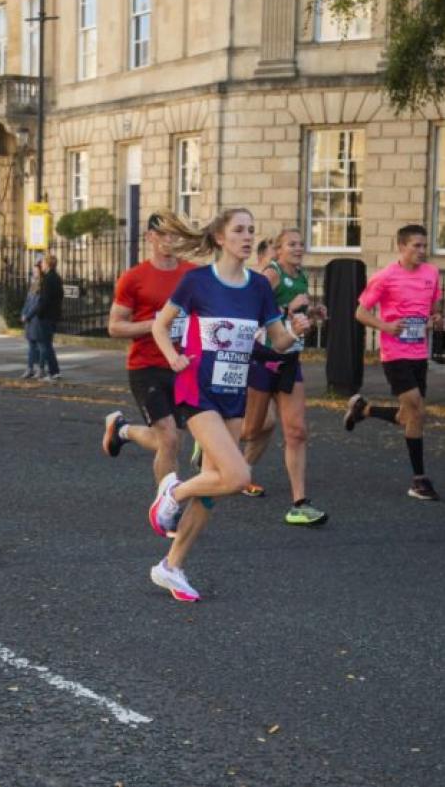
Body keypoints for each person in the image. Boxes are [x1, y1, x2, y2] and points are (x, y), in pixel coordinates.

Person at [150, 208, 310, 602]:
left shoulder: (258, 286)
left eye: (251, 230)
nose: (246, 236)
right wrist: (172, 356)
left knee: (213, 489)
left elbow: (274, 343)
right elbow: (160, 324)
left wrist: (295, 331)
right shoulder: (197, 281)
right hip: (196, 389)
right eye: (238, 229)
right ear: (220, 238)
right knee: (238, 476)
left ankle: (171, 567)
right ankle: (172, 492)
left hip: (233, 392)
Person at [344, 224, 442, 500]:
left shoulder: (432, 274)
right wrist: (385, 327)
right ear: (401, 247)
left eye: (425, 246)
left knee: (409, 415)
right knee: (417, 410)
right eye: (417, 246)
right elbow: (361, 312)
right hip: (395, 353)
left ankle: (364, 410)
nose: (423, 251)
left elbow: (433, 308)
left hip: (418, 353)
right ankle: (419, 480)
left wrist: (435, 319)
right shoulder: (385, 277)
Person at [240, 228, 328, 525]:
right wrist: (286, 310)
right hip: (264, 359)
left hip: (290, 359)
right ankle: (212, 437)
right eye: (292, 243)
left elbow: (295, 317)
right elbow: (249, 309)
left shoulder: (301, 276)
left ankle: (299, 503)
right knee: (252, 430)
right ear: (278, 250)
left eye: (302, 243)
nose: (299, 248)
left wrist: (313, 312)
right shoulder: (271, 274)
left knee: (297, 431)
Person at [102, 212, 197, 485]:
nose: (171, 240)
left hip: (181, 365)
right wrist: (157, 325)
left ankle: (123, 430)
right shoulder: (134, 278)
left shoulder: (192, 274)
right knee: (167, 436)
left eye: (175, 234)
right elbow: (115, 327)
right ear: (150, 237)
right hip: (146, 367)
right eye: (165, 233)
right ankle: (166, 506)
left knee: (172, 441)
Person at [36, 253, 64, 381]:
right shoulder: (57, 277)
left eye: (42, 263)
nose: (41, 265)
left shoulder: (48, 279)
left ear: (47, 264)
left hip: (46, 316)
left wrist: (39, 313)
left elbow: (45, 299)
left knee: (47, 345)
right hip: (54, 314)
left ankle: (53, 371)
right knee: (48, 344)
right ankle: (53, 371)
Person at [20, 262, 45, 379]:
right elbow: (28, 301)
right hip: (29, 320)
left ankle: (40, 369)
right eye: (33, 270)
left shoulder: (42, 285)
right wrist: (23, 313)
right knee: (31, 346)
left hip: (36, 320)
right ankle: (30, 368)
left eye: (36, 270)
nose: (34, 272)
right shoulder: (33, 284)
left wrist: (28, 315)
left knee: (40, 346)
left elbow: (37, 304)